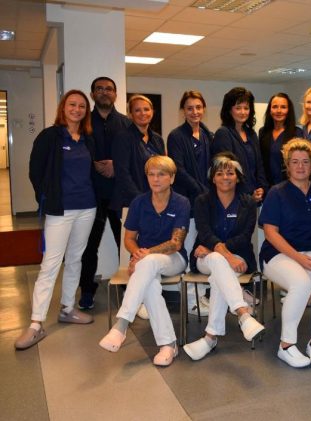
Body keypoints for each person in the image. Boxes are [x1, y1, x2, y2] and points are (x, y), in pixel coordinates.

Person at [15, 90, 97, 350]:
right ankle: (36, 323)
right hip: (60, 210)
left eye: (82, 106)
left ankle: (67, 308)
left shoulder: (88, 139)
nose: (77, 109)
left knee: (75, 259)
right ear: (63, 107)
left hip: (87, 207)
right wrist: (46, 197)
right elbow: (35, 170)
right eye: (72, 104)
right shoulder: (50, 136)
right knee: (50, 264)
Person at [99, 156, 190, 367]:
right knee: (150, 285)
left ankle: (121, 325)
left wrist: (144, 255)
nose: (155, 179)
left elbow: (175, 244)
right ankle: (168, 345)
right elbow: (129, 239)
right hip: (145, 262)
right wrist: (137, 253)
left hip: (174, 260)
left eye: (161, 174)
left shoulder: (181, 202)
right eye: (151, 174)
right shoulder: (138, 202)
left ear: (172, 178)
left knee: (147, 264)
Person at [259, 138, 311, 368]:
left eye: (305, 162)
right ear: (287, 165)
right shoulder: (277, 193)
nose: (300, 166)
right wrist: (298, 257)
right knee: (301, 283)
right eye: (295, 162)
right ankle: (286, 345)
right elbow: (270, 233)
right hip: (278, 254)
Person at [183, 153, 265, 361]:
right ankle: (243, 313)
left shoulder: (248, 202)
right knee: (219, 262)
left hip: (236, 256)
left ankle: (210, 337)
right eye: (219, 173)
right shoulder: (202, 201)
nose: (225, 177)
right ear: (213, 178)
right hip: (206, 258)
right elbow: (204, 232)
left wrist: (218, 250)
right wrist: (225, 255)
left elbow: (245, 236)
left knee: (219, 274)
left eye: (230, 173)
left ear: (238, 177)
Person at [78, 77, 130, 310]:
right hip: (92, 194)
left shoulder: (126, 123)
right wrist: (94, 164)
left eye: (109, 89)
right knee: (89, 245)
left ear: (115, 94)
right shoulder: (83, 122)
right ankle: (87, 290)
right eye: (99, 89)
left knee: (126, 245)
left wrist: (115, 165)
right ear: (92, 94)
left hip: (120, 194)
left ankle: (129, 286)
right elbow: (76, 154)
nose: (104, 92)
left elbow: (133, 156)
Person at [211, 87, 268, 204]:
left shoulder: (251, 134)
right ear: (229, 110)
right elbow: (226, 171)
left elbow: (259, 165)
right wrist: (248, 196)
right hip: (235, 199)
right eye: (238, 108)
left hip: (255, 197)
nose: (243, 112)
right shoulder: (223, 133)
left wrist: (262, 188)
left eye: (246, 108)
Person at [111, 94, 165, 213]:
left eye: (146, 109)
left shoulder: (158, 139)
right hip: (131, 202)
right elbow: (122, 174)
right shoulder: (123, 138)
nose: (143, 113)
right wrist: (142, 200)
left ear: (152, 112)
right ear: (130, 114)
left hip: (155, 201)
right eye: (137, 110)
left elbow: (163, 170)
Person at [167, 90, 213, 206]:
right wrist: (203, 191)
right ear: (183, 111)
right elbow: (179, 170)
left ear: (204, 109)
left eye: (198, 107)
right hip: (186, 198)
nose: (195, 112)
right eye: (190, 108)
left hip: (207, 198)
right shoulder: (175, 136)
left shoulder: (209, 136)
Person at [259, 92, 303, 186]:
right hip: (266, 186)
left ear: (289, 110)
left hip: (289, 186)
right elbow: (260, 162)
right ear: (270, 110)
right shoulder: (263, 132)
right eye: (275, 107)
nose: (279, 111)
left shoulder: (297, 133)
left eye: (283, 107)